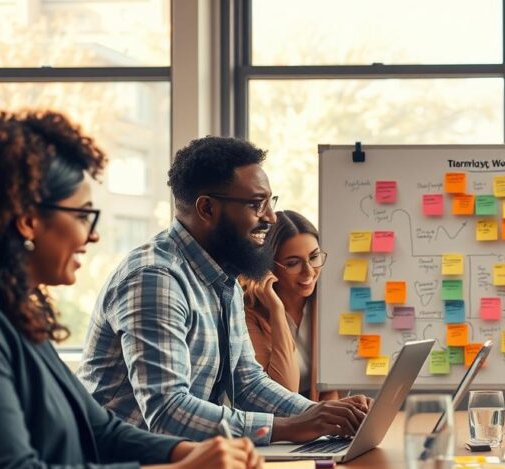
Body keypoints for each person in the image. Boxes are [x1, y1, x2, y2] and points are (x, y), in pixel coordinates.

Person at [0, 110, 264, 469]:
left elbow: (102, 431)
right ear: (27, 220)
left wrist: (180, 454)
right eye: (83, 215)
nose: (94, 234)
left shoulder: (16, 315)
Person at [78, 136, 368, 446]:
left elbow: (247, 383)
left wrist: (325, 415)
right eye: (257, 204)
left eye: (271, 202)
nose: (270, 217)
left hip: (176, 462)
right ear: (207, 208)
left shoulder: (223, 277)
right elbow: (166, 412)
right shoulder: (156, 279)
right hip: (123, 468)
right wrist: (291, 427)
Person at [241, 210, 337, 400]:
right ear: (269, 266)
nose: (309, 272)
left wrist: (330, 425)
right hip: (280, 424)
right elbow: (284, 392)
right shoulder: (249, 313)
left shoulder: (327, 299)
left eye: (314, 257)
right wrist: (277, 312)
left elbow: (331, 384)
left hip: (323, 419)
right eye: (293, 263)